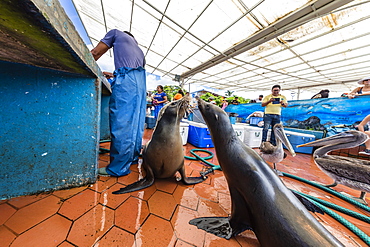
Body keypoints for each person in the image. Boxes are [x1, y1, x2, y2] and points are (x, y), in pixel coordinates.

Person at [91, 29, 146, 177]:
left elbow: (95, 53)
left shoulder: (115, 33)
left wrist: (86, 63)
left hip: (127, 81)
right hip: (141, 84)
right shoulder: (140, 50)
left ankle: (118, 168)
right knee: (135, 123)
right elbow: (135, 70)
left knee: (122, 122)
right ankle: (132, 158)